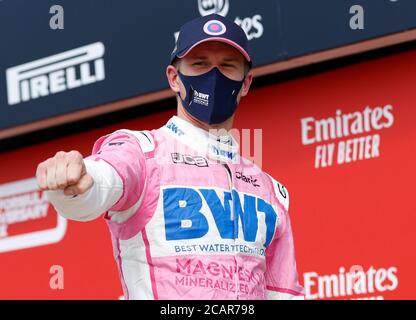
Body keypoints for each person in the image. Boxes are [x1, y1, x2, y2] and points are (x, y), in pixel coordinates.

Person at [36, 14, 304, 300]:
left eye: (227, 66)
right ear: (174, 78)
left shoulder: (268, 190)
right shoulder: (141, 152)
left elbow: (284, 295)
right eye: (200, 64)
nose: (214, 76)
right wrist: (75, 182)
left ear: (246, 83)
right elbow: (104, 181)